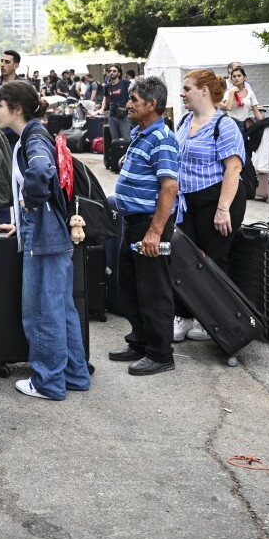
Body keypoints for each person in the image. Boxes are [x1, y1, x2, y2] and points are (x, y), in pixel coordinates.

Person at [0, 81, 91, 400]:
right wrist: (21, 224)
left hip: (44, 231)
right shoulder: (36, 133)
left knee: (42, 309)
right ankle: (74, 374)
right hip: (51, 230)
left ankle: (48, 381)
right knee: (60, 306)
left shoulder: (32, 138)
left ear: (16, 109)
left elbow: (41, 171)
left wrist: (30, 205)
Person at [107, 77, 181, 376]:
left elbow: (169, 187)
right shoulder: (142, 133)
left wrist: (154, 232)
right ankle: (140, 342)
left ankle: (161, 353)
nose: (128, 104)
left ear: (152, 104)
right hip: (133, 222)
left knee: (153, 291)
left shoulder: (162, 138)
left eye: (134, 100)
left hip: (149, 225)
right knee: (131, 287)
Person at [173, 69, 248, 343]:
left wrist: (223, 208)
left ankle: (215, 318)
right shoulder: (184, 121)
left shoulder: (224, 125)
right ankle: (185, 315)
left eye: (187, 88)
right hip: (187, 201)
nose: (182, 93)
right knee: (183, 260)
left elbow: (234, 168)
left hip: (217, 198)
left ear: (204, 90)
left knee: (214, 260)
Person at [101, 65, 131, 143]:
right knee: (115, 141)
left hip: (123, 115)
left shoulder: (125, 83)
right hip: (112, 116)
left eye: (114, 71)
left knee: (126, 139)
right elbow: (106, 98)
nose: (112, 72)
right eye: (110, 71)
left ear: (119, 74)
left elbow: (134, 93)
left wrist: (129, 103)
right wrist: (103, 108)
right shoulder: (107, 86)